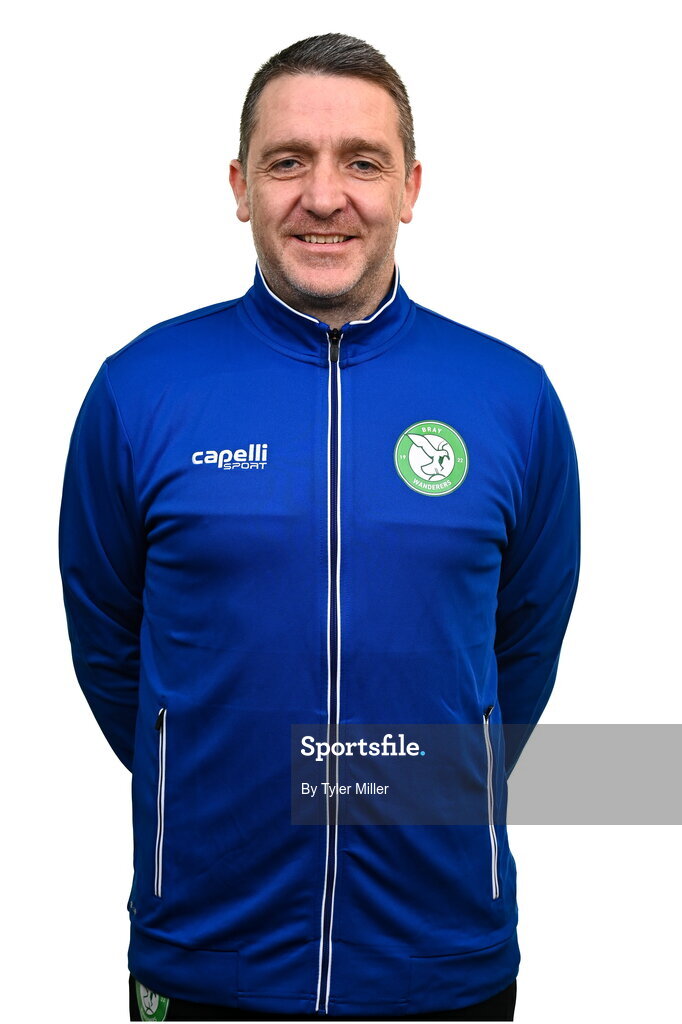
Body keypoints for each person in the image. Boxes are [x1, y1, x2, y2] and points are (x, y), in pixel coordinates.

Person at [58, 32, 580, 1023]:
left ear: (412, 187)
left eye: (363, 161)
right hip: (210, 952)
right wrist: (210, 765)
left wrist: (415, 779)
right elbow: (111, 651)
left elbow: (520, 652)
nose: (325, 195)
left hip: (439, 957)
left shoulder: (511, 398)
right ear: (239, 184)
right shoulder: (142, 390)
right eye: (287, 160)